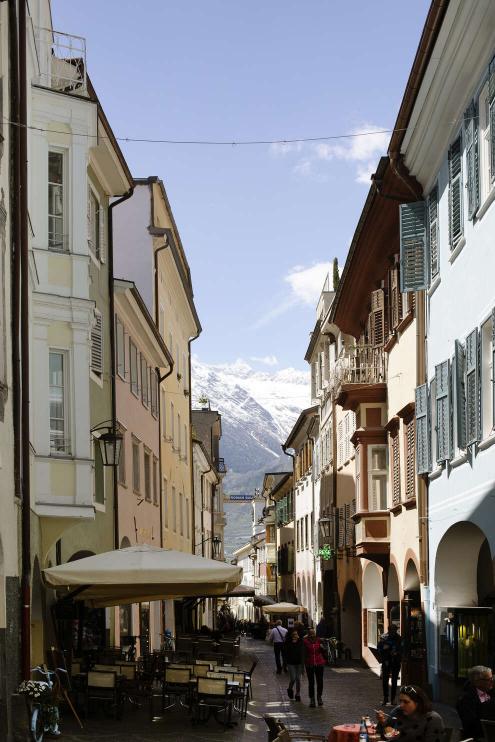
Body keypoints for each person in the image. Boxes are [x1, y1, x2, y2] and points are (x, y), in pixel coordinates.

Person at [376, 685, 444, 742]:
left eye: (406, 702)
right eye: (400, 701)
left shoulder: (432, 719)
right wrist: (382, 722)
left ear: (418, 703)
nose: (401, 705)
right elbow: (382, 735)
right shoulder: (398, 711)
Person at [456, 665, 495, 741]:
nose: (492, 681)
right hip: (478, 738)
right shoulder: (466, 699)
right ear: (477, 682)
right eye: (489, 679)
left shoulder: (490, 693)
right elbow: (471, 725)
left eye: (492, 678)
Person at [378, 623, 402, 705]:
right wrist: (385, 655)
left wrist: (397, 653)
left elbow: (402, 649)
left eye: (395, 630)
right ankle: (385, 698)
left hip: (395, 661)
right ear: (389, 630)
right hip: (386, 661)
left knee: (394, 680)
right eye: (392, 630)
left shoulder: (398, 638)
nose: (394, 632)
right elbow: (380, 649)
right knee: (385, 680)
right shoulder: (384, 637)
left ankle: (393, 699)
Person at [303, 627, 327, 707]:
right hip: (309, 664)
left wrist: (323, 648)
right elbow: (303, 652)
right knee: (311, 682)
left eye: (314, 633)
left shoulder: (319, 640)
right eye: (311, 633)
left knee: (320, 681)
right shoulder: (305, 641)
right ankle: (312, 699)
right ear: (309, 634)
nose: (313, 634)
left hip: (319, 663)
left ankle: (319, 697)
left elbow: (324, 650)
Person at [284, 629, 304, 701]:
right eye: (294, 634)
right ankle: (290, 689)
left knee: (298, 679)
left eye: (296, 634)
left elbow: (302, 653)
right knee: (293, 678)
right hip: (291, 663)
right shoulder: (288, 643)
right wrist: (285, 664)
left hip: (299, 663)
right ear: (291, 635)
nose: (296, 636)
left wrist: (303, 664)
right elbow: (285, 654)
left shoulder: (300, 642)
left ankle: (298, 694)